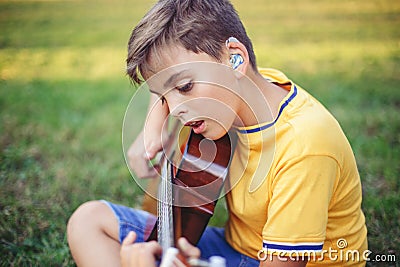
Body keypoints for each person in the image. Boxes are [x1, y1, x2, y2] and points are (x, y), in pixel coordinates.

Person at [67, 0, 368, 266]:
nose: (176, 110)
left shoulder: (306, 145)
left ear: (235, 58)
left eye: (185, 88)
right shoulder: (251, 85)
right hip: (235, 246)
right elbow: (169, 70)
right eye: (163, 97)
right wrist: (152, 126)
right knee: (87, 220)